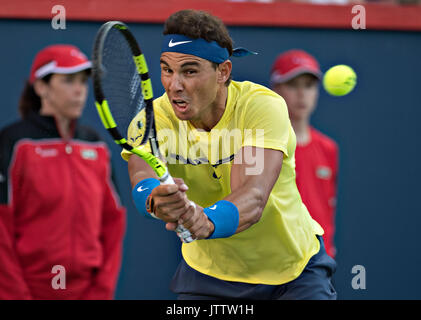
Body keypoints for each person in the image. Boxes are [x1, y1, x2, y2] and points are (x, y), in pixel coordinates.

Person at [123, 9, 336, 300]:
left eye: (190, 70)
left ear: (223, 72)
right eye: (167, 70)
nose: (175, 85)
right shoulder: (152, 119)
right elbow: (141, 175)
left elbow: (252, 195)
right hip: (208, 277)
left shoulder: (260, 107)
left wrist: (206, 221)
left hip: (292, 274)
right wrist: (157, 200)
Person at [0, 44, 126, 299]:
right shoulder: (14, 143)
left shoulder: (96, 145)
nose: (79, 90)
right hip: (27, 291)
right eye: (68, 80)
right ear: (41, 87)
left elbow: (113, 224)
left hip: (87, 293)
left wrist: (101, 292)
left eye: (83, 81)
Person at [270, 49, 339, 258]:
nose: (302, 94)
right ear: (276, 89)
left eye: (308, 86)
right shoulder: (263, 145)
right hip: (276, 261)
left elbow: (327, 206)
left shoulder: (328, 148)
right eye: (293, 85)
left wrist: (328, 251)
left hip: (319, 260)